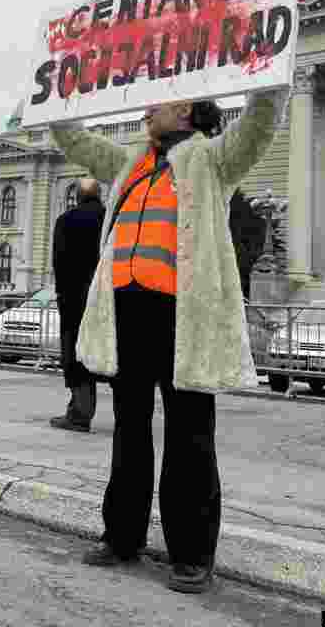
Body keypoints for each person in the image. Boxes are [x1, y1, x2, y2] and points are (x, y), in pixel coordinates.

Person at [50, 87, 289, 594]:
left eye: (155, 103)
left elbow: (260, 122)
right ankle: (122, 537)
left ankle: (192, 552)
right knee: (129, 429)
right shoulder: (131, 161)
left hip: (183, 316)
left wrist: (271, 74)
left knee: (189, 434)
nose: (144, 109)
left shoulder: (212, 158)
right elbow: (77, 143)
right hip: (127, 311)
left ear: (184, 109)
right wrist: (52, 101)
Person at [50, 177, 105, 432]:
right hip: (108, 298)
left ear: (78, 197)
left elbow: (59, 264)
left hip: (75, 300)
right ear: (100, 195)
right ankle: (128, 416)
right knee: (113, 354)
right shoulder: (112, 219)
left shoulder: (66, 221)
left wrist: (62, 295)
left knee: (77, 355)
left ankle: (80, 413)